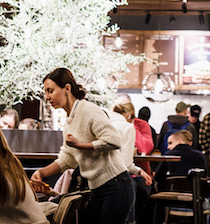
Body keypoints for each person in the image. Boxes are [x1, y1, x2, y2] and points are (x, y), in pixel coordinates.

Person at [29, 68, 133, 223]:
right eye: (46, 92)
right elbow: (67, 159)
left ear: (67, 88)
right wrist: (42, 172)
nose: (47, 97)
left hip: (116, 185)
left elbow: (114, 140)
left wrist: (81, 145)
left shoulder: (87, 109)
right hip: (97, 189)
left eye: (50, 91)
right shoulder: (69, 121)